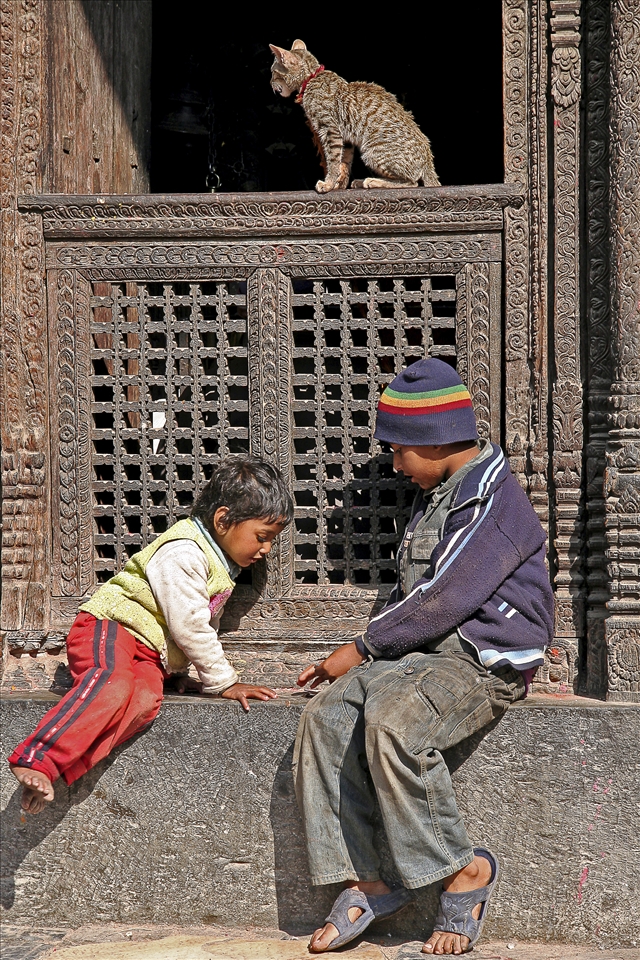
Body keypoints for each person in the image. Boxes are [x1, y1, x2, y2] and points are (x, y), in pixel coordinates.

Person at [294, 358, 553, 956]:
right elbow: (412, 592)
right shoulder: (438, 494)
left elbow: (445, 596)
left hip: (480, 661)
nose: (393, 465)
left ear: (432, 442)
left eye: (397, 451)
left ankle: (465, 872)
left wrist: (361, 647)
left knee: (393, 723)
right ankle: (369, 880)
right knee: (326, 718)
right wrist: (366, 657)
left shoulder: (494, 502)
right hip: (419, 656)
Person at [9, 454, 294, 815]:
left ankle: (55, 770)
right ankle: (37, 758)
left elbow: (199, 620)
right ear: (223, 520)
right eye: (262, 536)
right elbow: (190, 625)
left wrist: (179, 672)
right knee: (112, 685)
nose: (266, 549)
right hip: (112, 628)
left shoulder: (221, 563)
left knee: (144, 703)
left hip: (148, 653)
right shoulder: (185, 552)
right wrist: (222, 681)